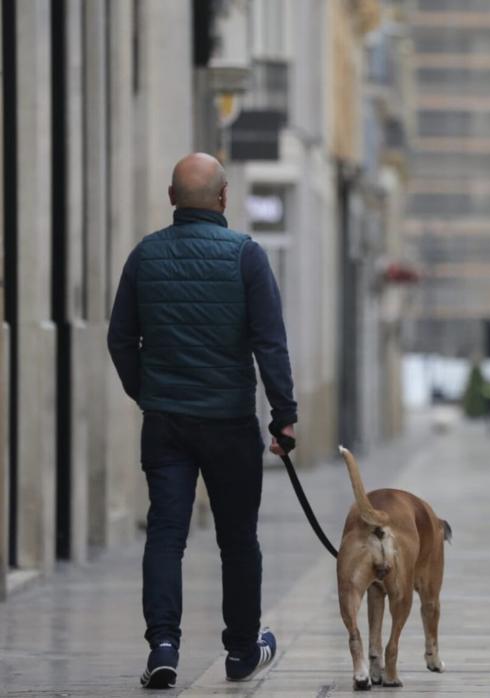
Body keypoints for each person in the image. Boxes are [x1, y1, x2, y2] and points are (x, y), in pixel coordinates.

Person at [108, 153, 296, 689]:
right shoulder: (246, 257)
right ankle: (242, 650)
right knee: (238, 539)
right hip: (230, 422)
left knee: (166, 534)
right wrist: (284, 417)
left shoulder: (145, 256)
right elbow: (270, 343)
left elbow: (120, 338)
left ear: (171, 199)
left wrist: (147, 392)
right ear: (223, 198)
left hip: (166, 422)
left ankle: (163, 647)